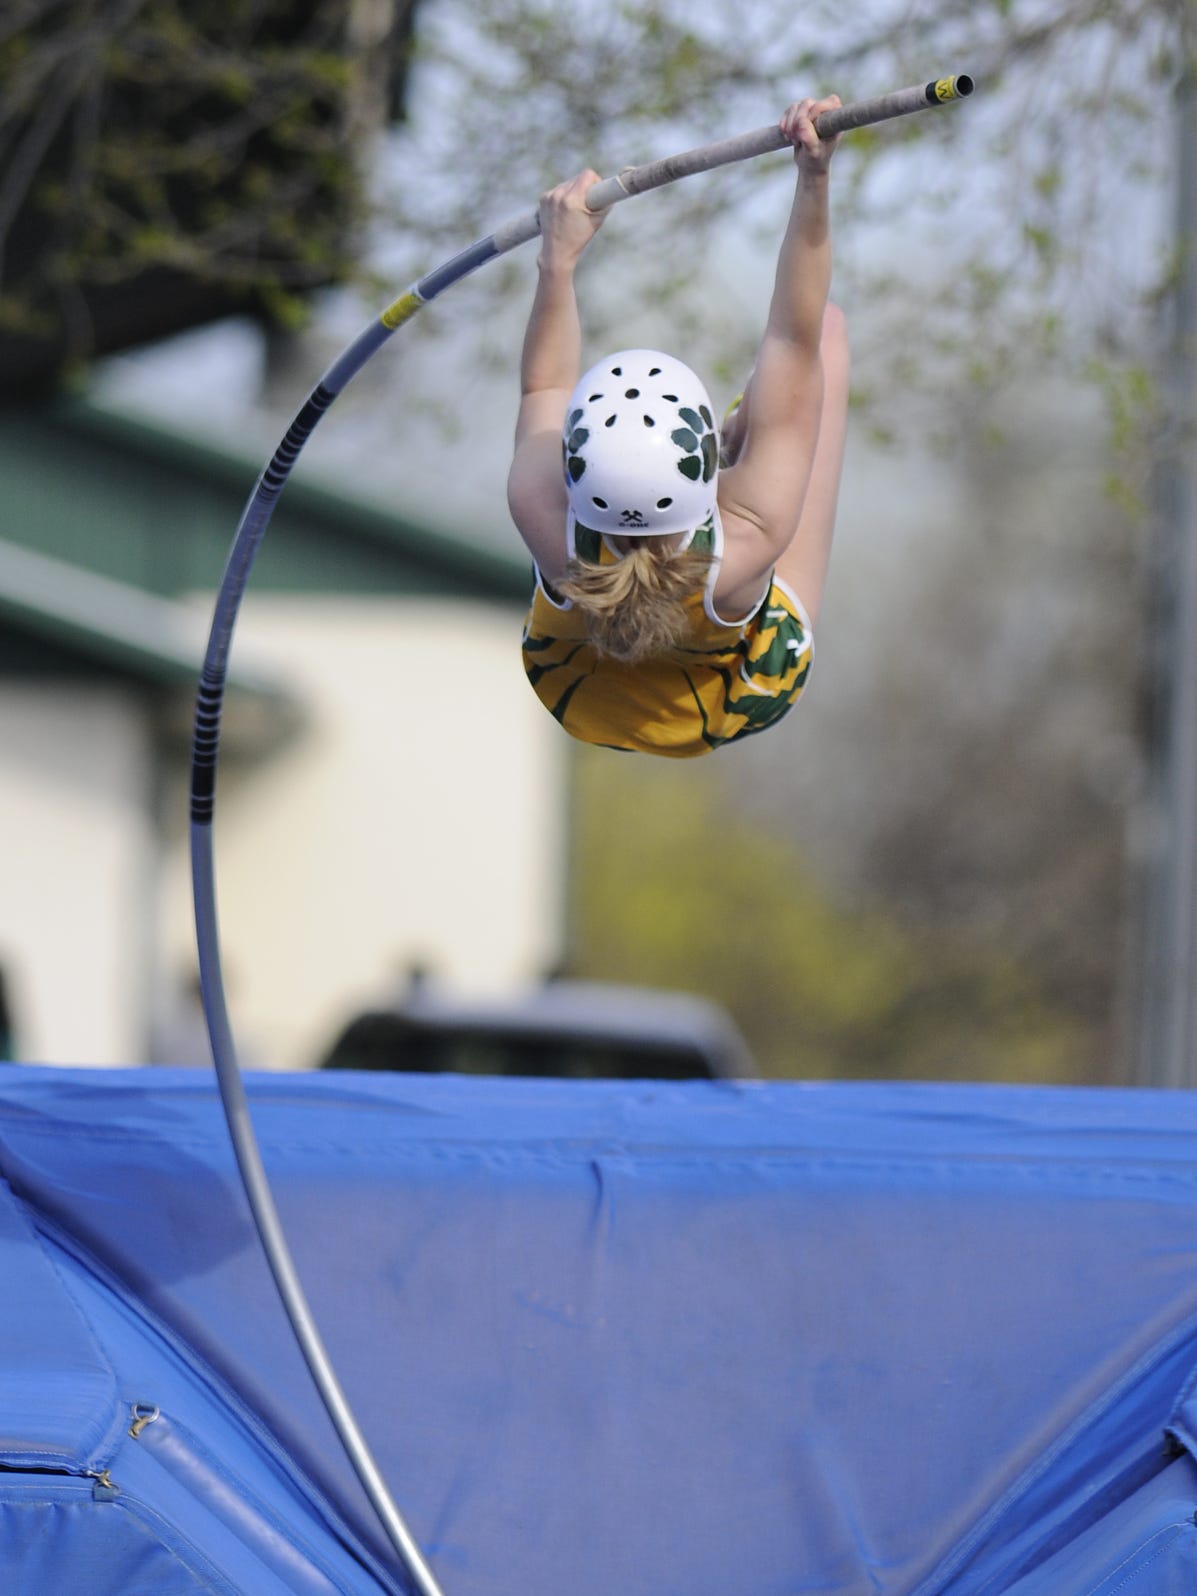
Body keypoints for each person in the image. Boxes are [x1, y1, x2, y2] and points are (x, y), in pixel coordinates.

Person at [507, 97, 850, 759]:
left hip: (578, 689)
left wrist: (558, 259)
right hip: (730, 696)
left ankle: (751, 425)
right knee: (818, 346)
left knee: (794, 375)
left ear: (572, 468)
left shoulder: (538, 507)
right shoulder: (748, 535)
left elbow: (543, 385)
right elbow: (794, 336)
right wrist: (813, 179)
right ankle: (748, 425)